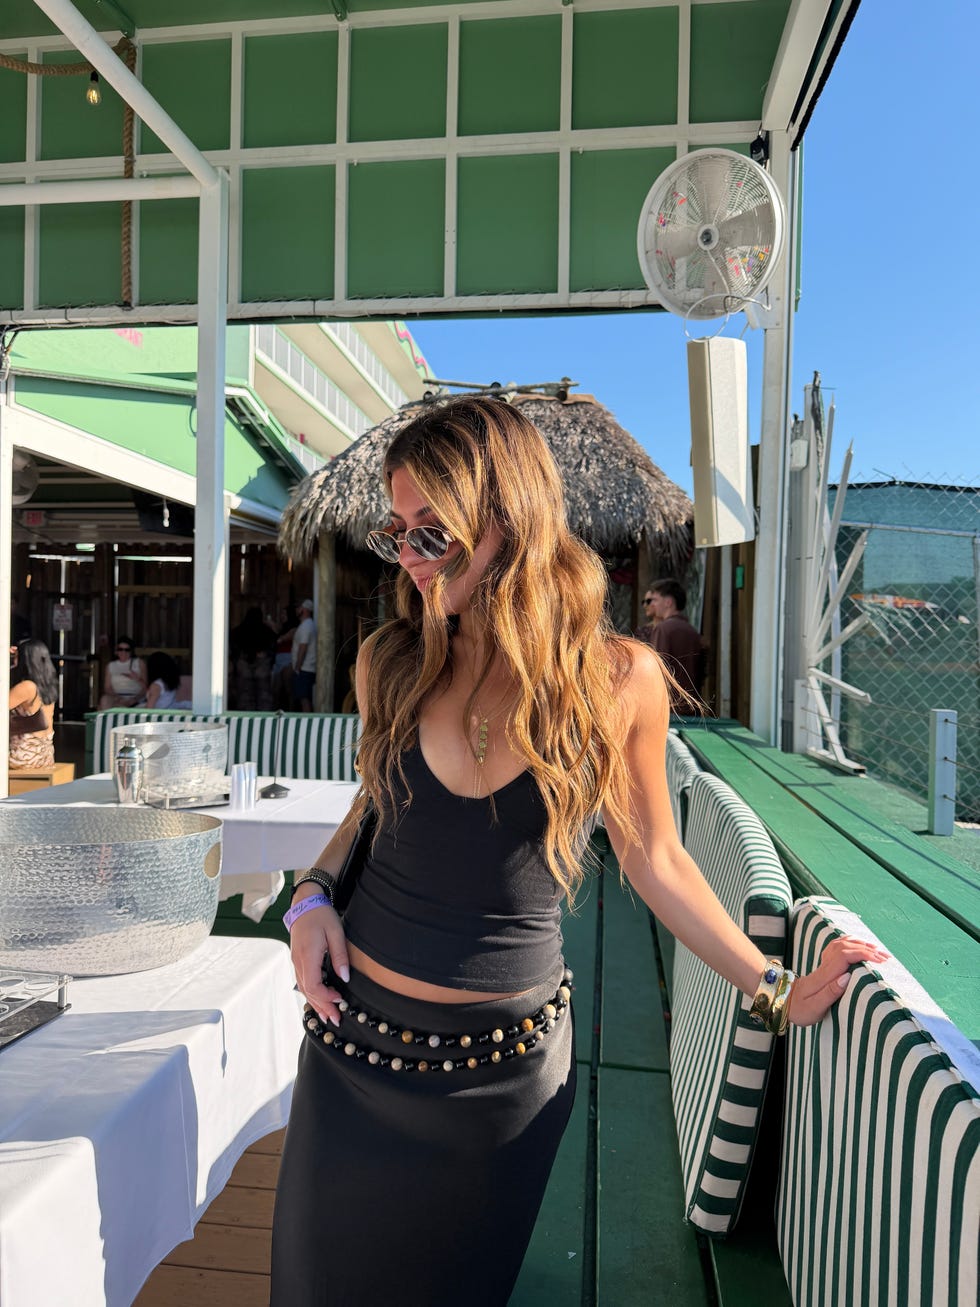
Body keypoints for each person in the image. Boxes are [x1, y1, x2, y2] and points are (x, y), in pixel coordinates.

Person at [271, 397, 886, 1307]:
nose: (409, 556)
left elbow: (656, 860)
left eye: (432, 531)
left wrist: (771, 989)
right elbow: (377, 802)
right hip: (355, 1053)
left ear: (508, 520)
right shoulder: (390, 660)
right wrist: (311, 896)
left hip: (501, 1080)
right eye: (396, 532)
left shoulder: (617, 680)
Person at [643, 578, 706, 714]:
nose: (652, 605)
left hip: (668, 708)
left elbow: (657, 671)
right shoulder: (693, 632)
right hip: (691, 707)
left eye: (655, 600)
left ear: (668, 602)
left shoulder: (663, 629)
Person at [9, 638, 58, 770]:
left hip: (24, 756)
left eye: (16, 657)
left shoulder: (27, 687)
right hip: (43, 754)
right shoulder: (47, 685)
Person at [229, 607, 277, 710]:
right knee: (263, 690)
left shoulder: (238, 631)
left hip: (244, 663)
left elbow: (233, 645)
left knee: (245, 691)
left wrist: (239, 657)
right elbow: (274, 644)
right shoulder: (266, 631)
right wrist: (265, 654)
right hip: (261, 663)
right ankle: (263, 715)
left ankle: (246, 712)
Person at [98, 637, 147, 709]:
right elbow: (107, 687)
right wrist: (117, 697)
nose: (123, 652)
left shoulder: (139, 663)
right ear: (116, 651)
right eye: (120, 649)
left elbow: (146, 687)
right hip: (117, 698)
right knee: (105, 700)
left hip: (136, 698)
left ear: (131, 651)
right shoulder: (111, 665)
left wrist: (137, 679)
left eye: (127, 650)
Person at [291, 599, 316, 711]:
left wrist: (297, 667)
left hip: (305, 669)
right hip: (305, 668)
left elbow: (303, 647)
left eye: (299, 607)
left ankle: (309, 722)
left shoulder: (307, 626)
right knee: (303, 697)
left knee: (304, 699)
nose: (297, 610)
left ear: (305, 609)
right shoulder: (306, 625)